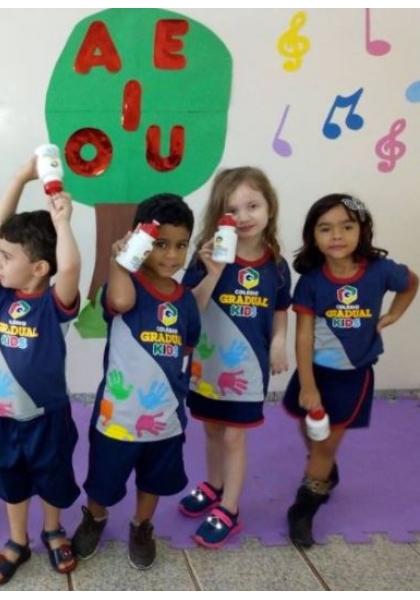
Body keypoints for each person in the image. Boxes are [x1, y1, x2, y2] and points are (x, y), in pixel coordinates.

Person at [72, 194, 201, 569]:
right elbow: (122, 303)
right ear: (140, 241)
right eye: (160, 244)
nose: (172, 256)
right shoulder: (125, 285)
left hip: (166, 416)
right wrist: (119, 261)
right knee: (103, 481)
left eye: (180, 246)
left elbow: (185, 347)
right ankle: (95, 517)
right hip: (118, 417)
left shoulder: (186, 300)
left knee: (154, 479)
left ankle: (142, 525)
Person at [282, 194, 417, 548]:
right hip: (314, 373)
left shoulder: (380, 272)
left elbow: (411, 282)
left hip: (351, 378)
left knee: (324, 445)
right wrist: (308, 387)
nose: (337, 235)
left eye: (347, 226)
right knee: (309, 429)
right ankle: (324, 469)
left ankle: (304, 508)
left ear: (362, 230)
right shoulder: (311, 281)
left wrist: (393, 314)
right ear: (314, 236)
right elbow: (304, 337)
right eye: (326, 229)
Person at [178, 167, 291, 548]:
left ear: (269, 208)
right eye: (232, 210)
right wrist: (213, 272)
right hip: (208, 365)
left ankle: (230, 507)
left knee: (233, 439)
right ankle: (214, 483)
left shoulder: (276, 266)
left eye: (253, 205)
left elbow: (280, 310)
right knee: (211, 428)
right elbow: (189, 310)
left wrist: (279, 344)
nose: (243, 217)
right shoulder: (206, 256)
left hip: (248, 370)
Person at [0, 158, 81, 584]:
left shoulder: (53, 302)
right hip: (3, 414)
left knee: (53, 475)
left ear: (40, 268)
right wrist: (19, 177)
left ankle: (53, 529)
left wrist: (63, 224)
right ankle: (18, 540)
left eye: (8, 257)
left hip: (46, 414)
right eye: (0, 256)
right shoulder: (3, 290)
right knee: (12, 477)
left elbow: (71, 267)